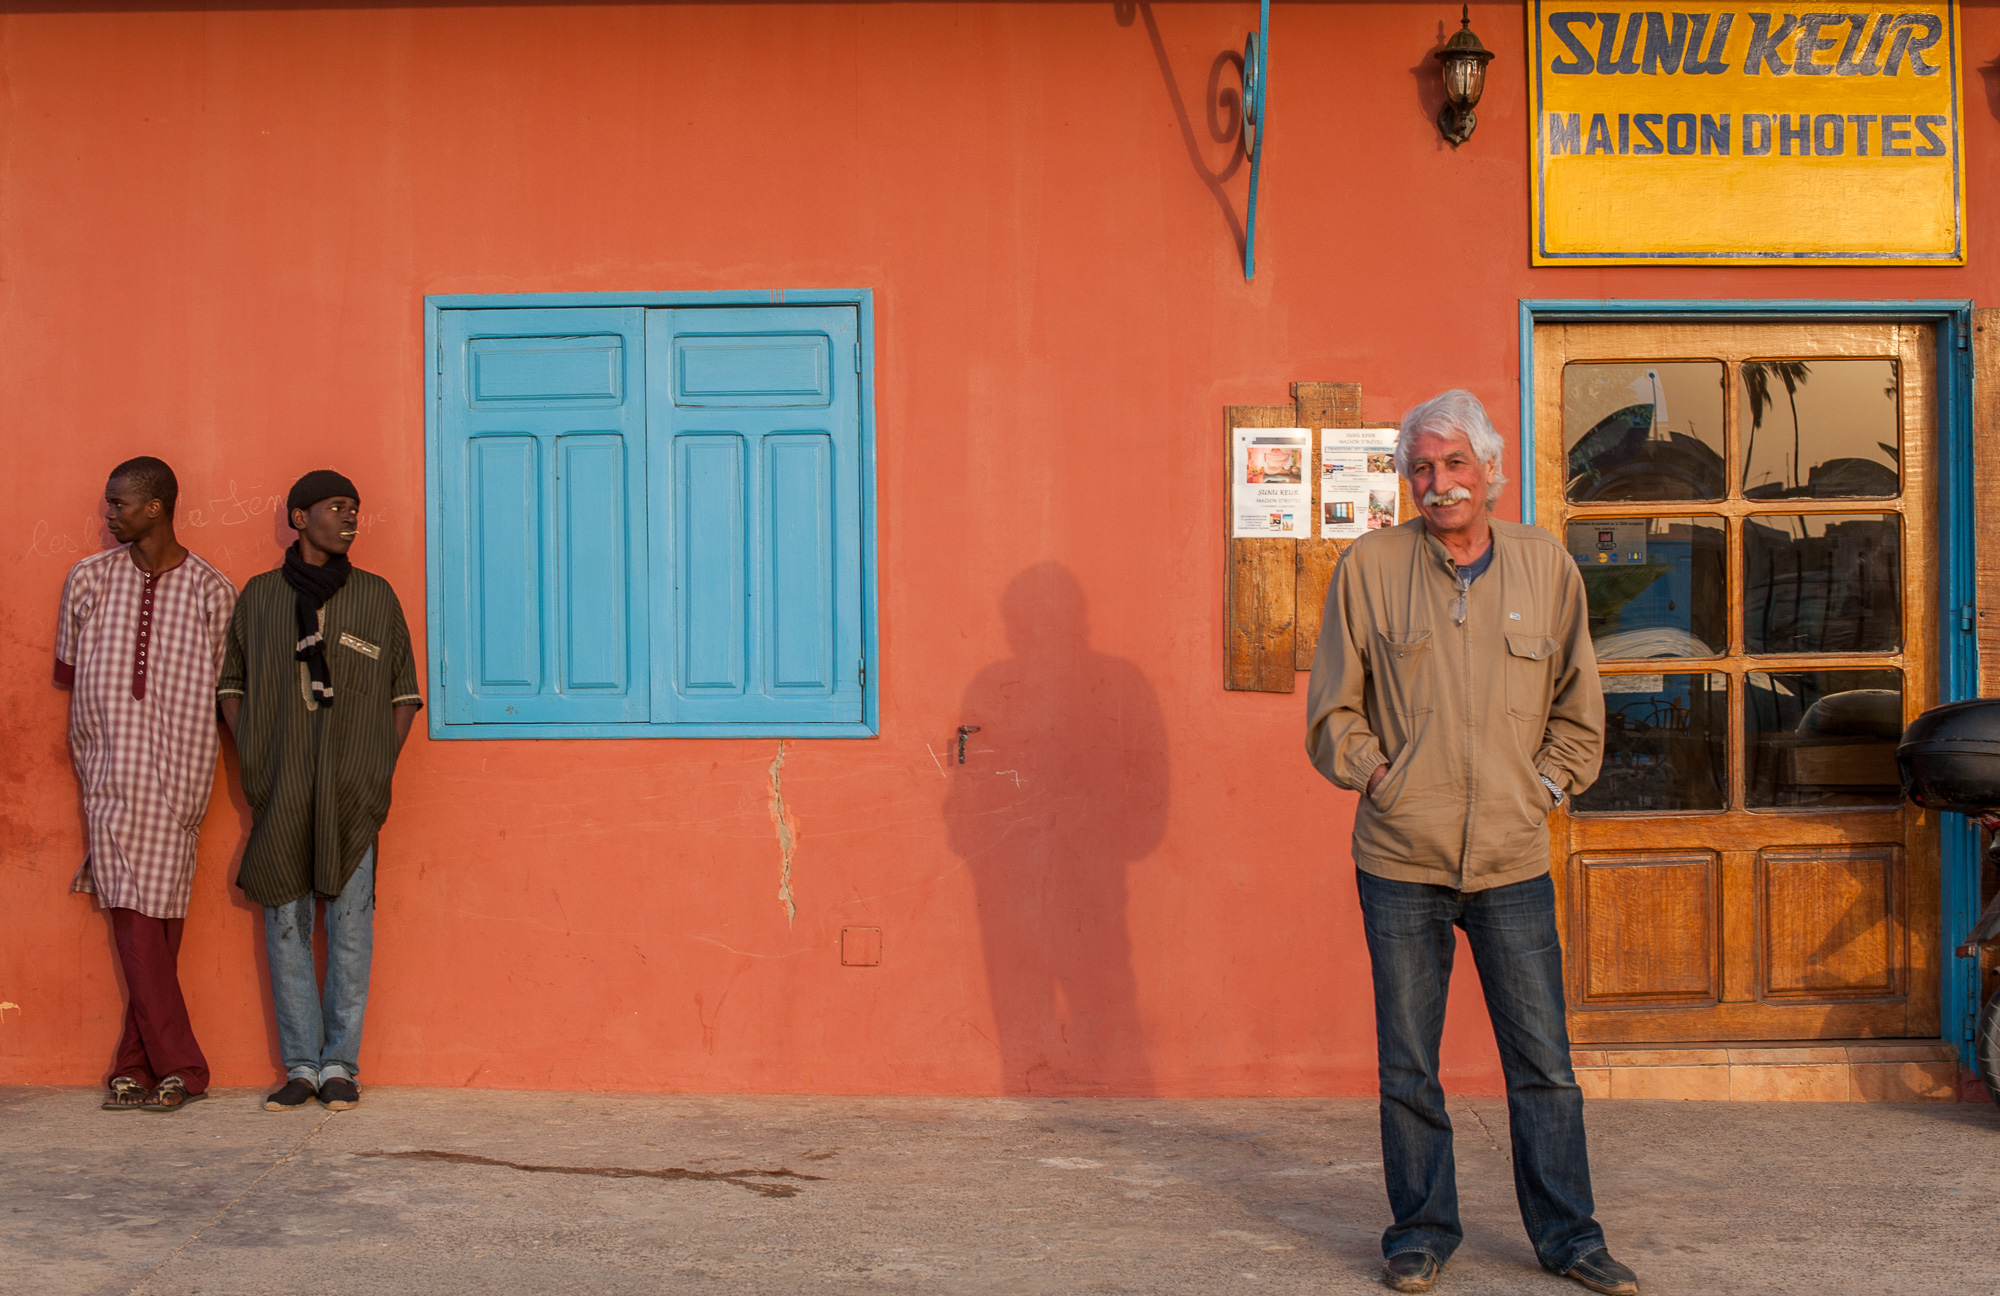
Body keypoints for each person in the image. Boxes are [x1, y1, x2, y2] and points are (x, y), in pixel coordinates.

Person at [1305, 391, 1636, 1295]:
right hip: (1400, 858)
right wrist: (1383, 778)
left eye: (1454, 463)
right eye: (1420, 467)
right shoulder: (1368, 567)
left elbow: (1579, 709)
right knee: (1409, 1065)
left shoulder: (1545, 567)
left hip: (1511, 859)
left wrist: (1547, 787)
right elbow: (1332, 712)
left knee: (1544, 1067)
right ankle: (1418, 1233)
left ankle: (1571, 1238)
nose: (1437, 483)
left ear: (1490, 468)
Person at [218, 470, 421, 1112]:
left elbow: (404, 693)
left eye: (356, 508)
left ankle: (340, 1064)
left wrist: (375, 764)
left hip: (353, 795)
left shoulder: (375, 597)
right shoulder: (258, 597)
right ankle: (301, 1066)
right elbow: (232, 687)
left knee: (351, 927)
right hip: (281, 793)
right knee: (287, 924)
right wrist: (258, 755)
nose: (351, 518)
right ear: (300, 518)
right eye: (338, 507)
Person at [55, 457, 236, 1114]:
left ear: (155, 507)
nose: (109, 515)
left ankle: (135, 1063)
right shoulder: (88, 579)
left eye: (119, 504)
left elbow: (226, 694)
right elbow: (72, 671)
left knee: (157, 921)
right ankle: (183, 1066)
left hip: (181, 773)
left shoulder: (213, 591)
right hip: (108, 770)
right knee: (135, 915)